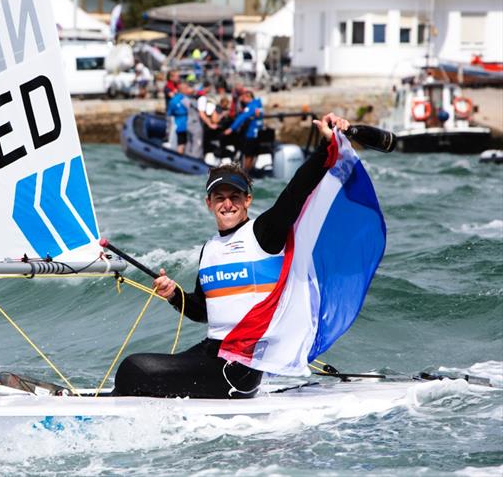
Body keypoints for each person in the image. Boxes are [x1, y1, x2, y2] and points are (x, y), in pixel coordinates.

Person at [111, 114, 352, 399]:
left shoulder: (263, 234)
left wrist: (326, 147)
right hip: (212, 354)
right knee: (139, 374)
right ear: (208, 203)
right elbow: (202, 311)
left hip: (239, 370)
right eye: (220, 197)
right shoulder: (210, 248)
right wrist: (175, 294)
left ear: (247, 200)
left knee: (132, 369)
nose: (228, 204)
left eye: (235, 196)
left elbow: (295, 192)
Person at [223, 90, 263, 171]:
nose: (242, 99)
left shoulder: (251, 106)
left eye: (244, 98)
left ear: (248, 97)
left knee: (248, 154)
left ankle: (245, 173)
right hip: (258, 133)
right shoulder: (258, 104)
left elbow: (242, 117)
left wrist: (231, 128)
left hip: (251, 134)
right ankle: (249, 171)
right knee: (252, 154)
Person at [167, 81, 192, 155]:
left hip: (179, 124)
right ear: (183, 89)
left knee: (180, 144)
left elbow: (169, 113)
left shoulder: (174, 100)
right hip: (185, 125)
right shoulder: (187, 99)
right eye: (187, 88)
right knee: (182, 144)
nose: (188, 89)